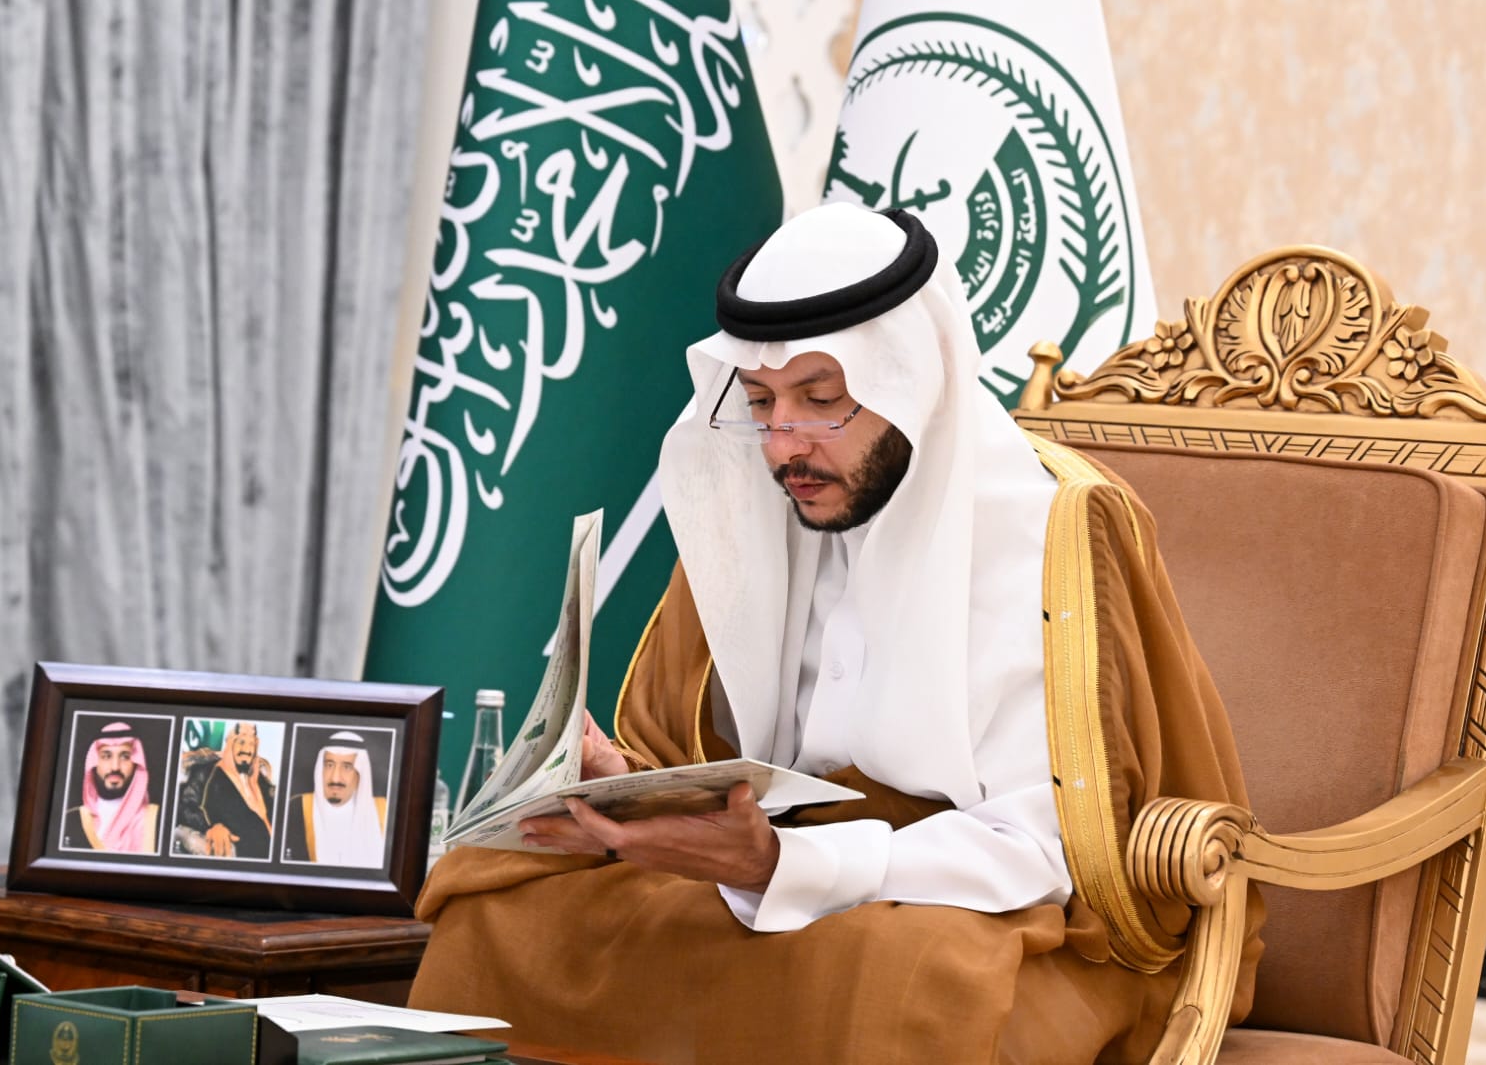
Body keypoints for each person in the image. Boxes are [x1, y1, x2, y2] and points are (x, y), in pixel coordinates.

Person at [408, 203, 1264, 1063]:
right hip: (770, 872)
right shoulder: (753, 514)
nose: (782, 447)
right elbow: (720, 770)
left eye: (820, 401)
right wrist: (632, 794)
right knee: (498, 907)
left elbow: (1051, 848)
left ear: (911, 384)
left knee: (900, 975)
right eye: (759, 403)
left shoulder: (1051, 537)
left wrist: (785, 867)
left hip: (980, 901)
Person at [282, 730, 387, 867]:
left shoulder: (384, 811)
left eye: (347, 767)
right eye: (329, 765)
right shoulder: (295, 808)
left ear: (360, 773)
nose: (335, 778)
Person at [173, 721, 276, 858]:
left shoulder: (259, 779)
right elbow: (185, 806)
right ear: (230, 743)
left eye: (251, 744)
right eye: (241, 742)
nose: (247, 749)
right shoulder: (206, 772)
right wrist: (212, 827)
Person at [63, 720, 159, 853]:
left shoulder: (157, 820)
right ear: (94, 763)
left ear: (136, 763)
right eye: (106, 756)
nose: (115, 767)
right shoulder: (70, 821)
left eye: (125, 757)